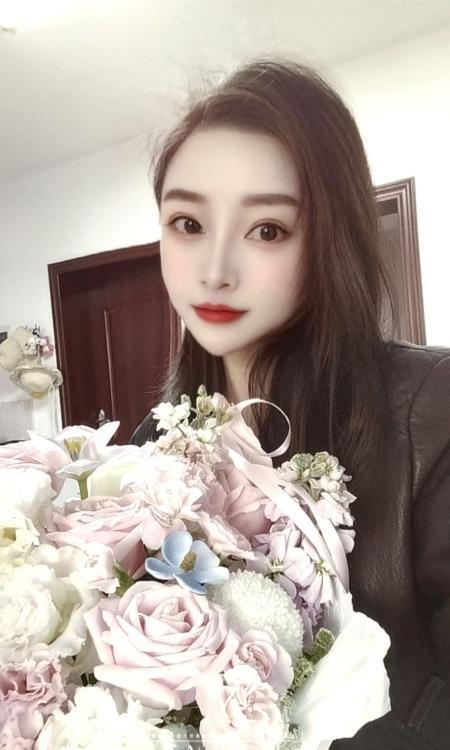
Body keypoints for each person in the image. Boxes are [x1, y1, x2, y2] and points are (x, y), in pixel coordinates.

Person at [132, 59, 450, 749]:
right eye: (187, 222)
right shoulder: (150, 442)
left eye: (267, 230)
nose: (214, 269)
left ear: (329, 239)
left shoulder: (431, 413)